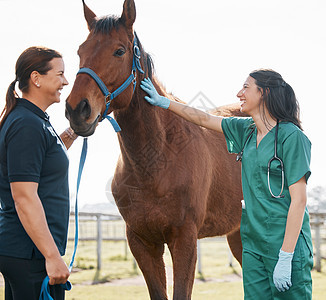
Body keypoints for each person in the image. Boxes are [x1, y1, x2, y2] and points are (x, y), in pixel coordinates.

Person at [140, 69, 313, 300]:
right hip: (253, 242)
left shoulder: (292, 138)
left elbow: (299, 201)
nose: (239, 93)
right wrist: (165, 102)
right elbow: (203, 118)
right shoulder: (246, 131)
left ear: (264, 93)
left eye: (246, 87)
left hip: (284, 240)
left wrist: (286, 255)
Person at [0, 46, 78, 300]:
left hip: (30, 253)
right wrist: (52, 256)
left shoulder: (33, 120)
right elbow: (24, 197)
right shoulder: (26, 125)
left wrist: (75, 130)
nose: (65, 81)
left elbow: (44, 160)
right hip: (31, 255)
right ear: (36, 78)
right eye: (60, 74)